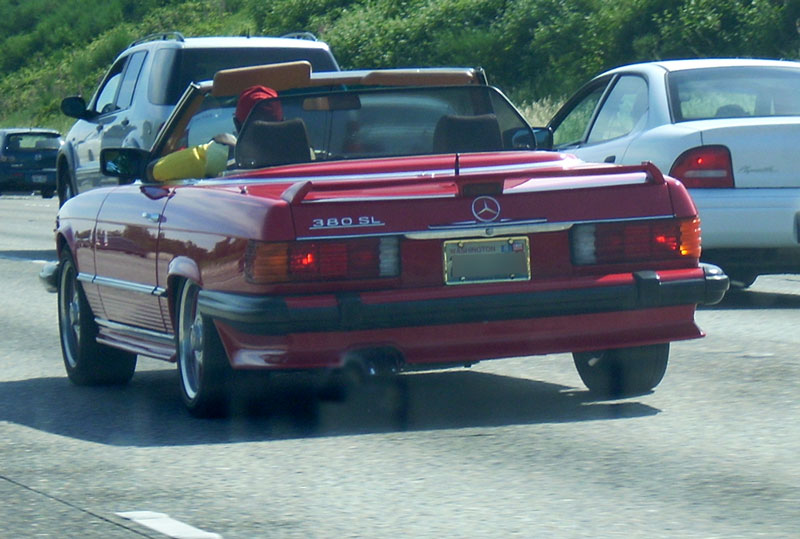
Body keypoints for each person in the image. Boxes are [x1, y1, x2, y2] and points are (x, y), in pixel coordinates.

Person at [148, 85, 281, 182]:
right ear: (283, 121)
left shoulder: (219, 153)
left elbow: (154, 171)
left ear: (236, 123)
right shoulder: (300, 152)